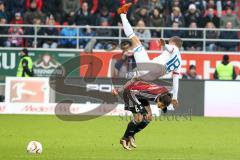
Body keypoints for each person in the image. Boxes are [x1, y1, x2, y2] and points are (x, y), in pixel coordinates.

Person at [117, 3, 182, 107]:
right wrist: (175, 98)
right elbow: (176, 82)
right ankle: (119, 90)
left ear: (173, 43)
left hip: (149, 68)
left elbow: (171, 48)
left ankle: (122, 14)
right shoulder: (179, 63)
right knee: (135, 78)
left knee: (134, 39)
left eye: (170, 42)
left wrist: (165, 45)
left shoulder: (174, 49)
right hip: (150, 77)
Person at [113, 78, 172, 150]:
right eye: (161, 105)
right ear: (159, 99)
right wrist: (140, 107)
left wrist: (165, 106)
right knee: (139, 118)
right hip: (130, 93)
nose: (161, 107)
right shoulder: (153, 95)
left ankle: (131, 135)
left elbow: (165, 96)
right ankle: (124, 138)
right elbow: (133, 92)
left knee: (149, 117)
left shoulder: (162, 95)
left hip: (140, 95)